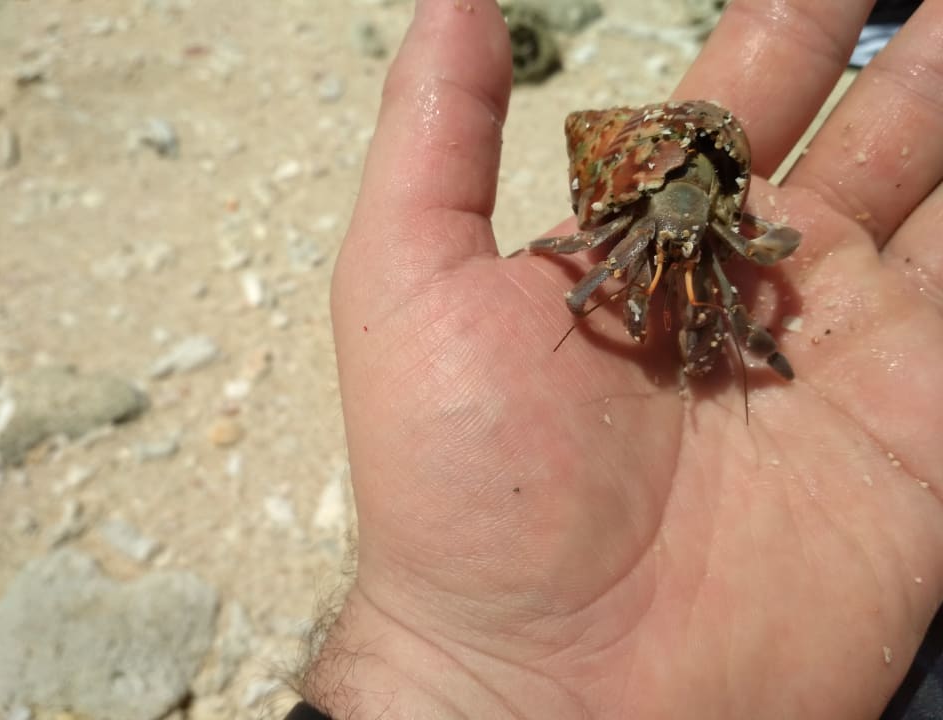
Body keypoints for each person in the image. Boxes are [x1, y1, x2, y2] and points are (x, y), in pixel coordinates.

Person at [289, 0, 943, 717]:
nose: (683, 257)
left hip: (698, 186)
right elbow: (589, 269)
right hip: (662, 188)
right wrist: (462, 669)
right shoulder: (640, 216)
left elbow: (759, 252)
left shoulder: (717, 225)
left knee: (715, 295)